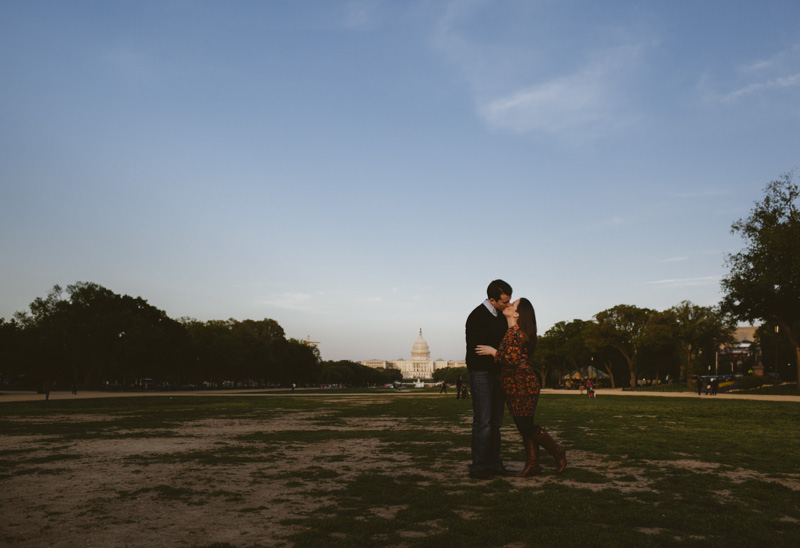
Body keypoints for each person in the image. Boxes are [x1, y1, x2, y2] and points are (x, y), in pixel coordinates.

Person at [476, 298, 567, 477]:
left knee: (525, 424)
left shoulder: (517, 333)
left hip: (522, 384)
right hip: (514, 384)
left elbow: (511, 360)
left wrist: (492, 351)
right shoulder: (512, 332)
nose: (508, 305)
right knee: (524, 425)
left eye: (512, 305)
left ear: (517, 314)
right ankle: (533, 464)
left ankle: (557, 450)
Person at [465, 279, 513, 479]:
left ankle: (493, 462)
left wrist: (496, 353)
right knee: (483, 421)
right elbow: (479, 351)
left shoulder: (501, 316)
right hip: (482, 373)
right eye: (504, 302)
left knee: (495, 421)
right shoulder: (477, 316)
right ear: (492, 300)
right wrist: (498, 354)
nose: (507, 305)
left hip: (497, 372)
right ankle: (479, 466)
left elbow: (504, 346)